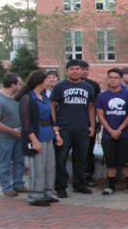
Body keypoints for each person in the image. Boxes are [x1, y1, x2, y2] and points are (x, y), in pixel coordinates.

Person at [49, 59, 96, 198]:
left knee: (81, 159)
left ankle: (79, 184)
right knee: (61, 159)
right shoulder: (59, 86)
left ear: (82, 71)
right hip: (64, 128)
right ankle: (61, 186)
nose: (75, 71)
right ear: (67, 71)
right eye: (72, 69)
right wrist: (54, 124)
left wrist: (92, 125)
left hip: (82, 128)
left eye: (77, 69)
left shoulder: (88, 88)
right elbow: (51, 105)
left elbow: (91, 107)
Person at [17, 70, 63, 207]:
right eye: (46, 80)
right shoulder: (27, 98)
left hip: (48, 134)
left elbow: (50, 116)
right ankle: (35, 196)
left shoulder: (43, 96)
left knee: (50, 166)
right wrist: (34, 141)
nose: (48, 82)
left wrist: (56, 133)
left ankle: (47, 193)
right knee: (38, 167)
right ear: (40, 82)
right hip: (36, 137)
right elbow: (26, 123)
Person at [95, 68, 128, 196]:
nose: (113, 80)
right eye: (111, 77)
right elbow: (100, 116)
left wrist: (119, 130)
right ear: (107, 79)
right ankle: (110, 186)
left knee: (126, 160)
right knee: (110, 161)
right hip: (108, 134)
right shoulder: (102, 96)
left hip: (125, 134)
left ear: (120, 79)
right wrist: (111, 130)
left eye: (116, 77)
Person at [0, 72, 28, 197]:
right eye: (19, 84)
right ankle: (6, 187)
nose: (21, 86)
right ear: (12, 85)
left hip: (18, 136)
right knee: (5, 163)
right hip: (4, 138)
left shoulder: (16, 98)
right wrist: (12, 131)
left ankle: (18, 184)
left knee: (19, 161)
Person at [79, 60, 101, 188]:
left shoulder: (93, 85)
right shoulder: (65, 85)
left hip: (89, 123)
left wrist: (96, 123)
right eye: (83, 69)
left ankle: (88, 174)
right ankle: (78, 176)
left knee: (89, 150)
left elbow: (96, 106)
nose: (85, 72)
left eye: (87, 69)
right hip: (72, 124)